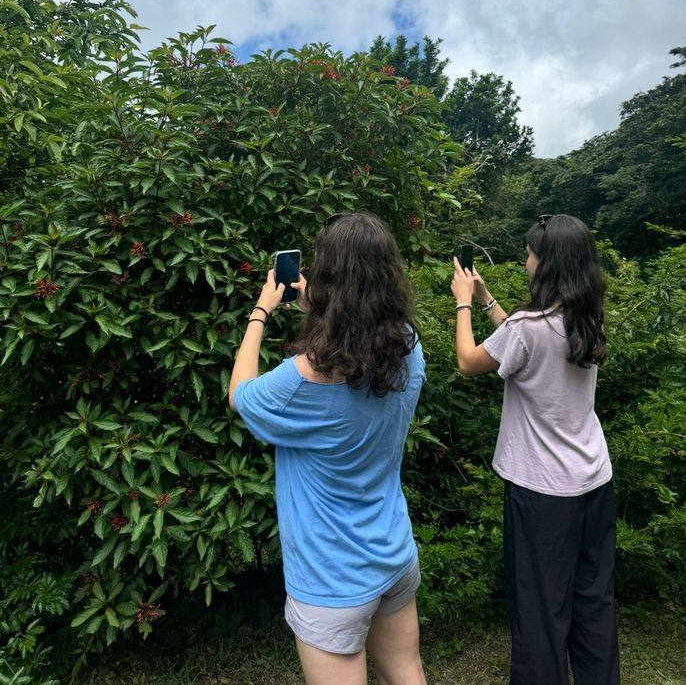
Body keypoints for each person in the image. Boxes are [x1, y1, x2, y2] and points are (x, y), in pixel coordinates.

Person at [229, 213, 427, 685]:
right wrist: (313, 308)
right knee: (406, 670)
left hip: (331, 577)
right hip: (393, 551)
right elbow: (355, 345)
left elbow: (240, 394)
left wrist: (260, 312)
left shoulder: (303, 378)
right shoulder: (407, 345)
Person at [450, 214, 620, 685]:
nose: (524, 260)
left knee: (540, 614)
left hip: (542, 494)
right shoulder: (586, 315)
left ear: (547, 264)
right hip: (593, 482)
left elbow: (469, 361)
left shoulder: (530, 326)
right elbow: (523, 342)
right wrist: (488, 300)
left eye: (528, 253)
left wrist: (463, 304)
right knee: (593, 605)